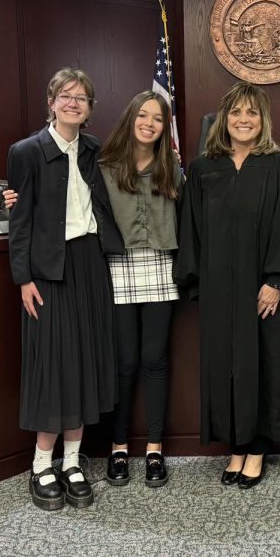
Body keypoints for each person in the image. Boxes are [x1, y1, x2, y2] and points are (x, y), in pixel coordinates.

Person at [174, 81, 280, 490]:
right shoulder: (202, 170)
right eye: (236, 113)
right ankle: (235, 445)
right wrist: (198, 284)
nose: (244, 120)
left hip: (264, 290)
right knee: (226, 368)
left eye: (252, 113)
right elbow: (191, 231)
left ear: (262, 119)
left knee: (264, 365)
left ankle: (256, 450)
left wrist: (277, 281)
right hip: (219, 290)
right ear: (224, 119)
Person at [6, 68, 124, 511]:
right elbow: (19, 222)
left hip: (89, 264)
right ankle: (42, 465)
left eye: (82, 98)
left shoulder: (94, 149)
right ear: (51, 102)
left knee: (85, 362)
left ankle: (72, 461)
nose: (73, 103)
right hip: (48, 271)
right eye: (65, 96)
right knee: (53, 366)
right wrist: (23, 279)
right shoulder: (26, 152)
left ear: (91, 109)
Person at [97, 91, 182, 488]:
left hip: (161, 266)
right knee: (125, 362)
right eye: (143, 116)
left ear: (165, 128)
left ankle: (154, 448)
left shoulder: (172, 168)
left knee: (155, 359)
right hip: (118, 267)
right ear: (130, 118)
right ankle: (118, 447)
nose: (150, 123)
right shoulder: (103, 167)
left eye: (158, 118)